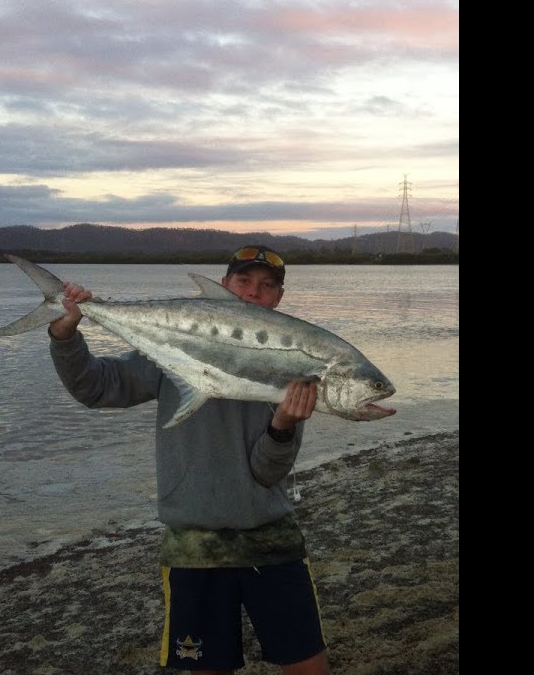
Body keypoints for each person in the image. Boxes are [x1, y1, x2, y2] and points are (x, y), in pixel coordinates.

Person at [45, 244, 330, 675]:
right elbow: (96, 388)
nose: (254, 293)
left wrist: (283, 424)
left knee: (308, 666)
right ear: (223, 287)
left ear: (279, 300)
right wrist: (66, 334)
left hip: (271, 538)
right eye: (243, 282)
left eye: (267, 286)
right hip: (194, 545)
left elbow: (267, 471)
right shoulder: (170, 351)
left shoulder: (291, 365)